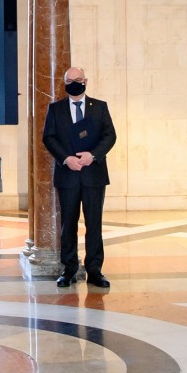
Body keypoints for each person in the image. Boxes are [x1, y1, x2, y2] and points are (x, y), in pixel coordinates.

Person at [42, 67, 117, 288]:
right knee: (68, 224)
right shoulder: (55, 109)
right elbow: (49, 137)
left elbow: (110, 135)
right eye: (70, 80)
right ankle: (69, 269)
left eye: (79, 79)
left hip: (94, 175)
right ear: (64, 83)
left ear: (86, 81)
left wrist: (92, 156)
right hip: (68, 176)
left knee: (94, 224)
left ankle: (95, 270)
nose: (75, 83)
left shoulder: (100, 107)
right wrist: (66, 159)